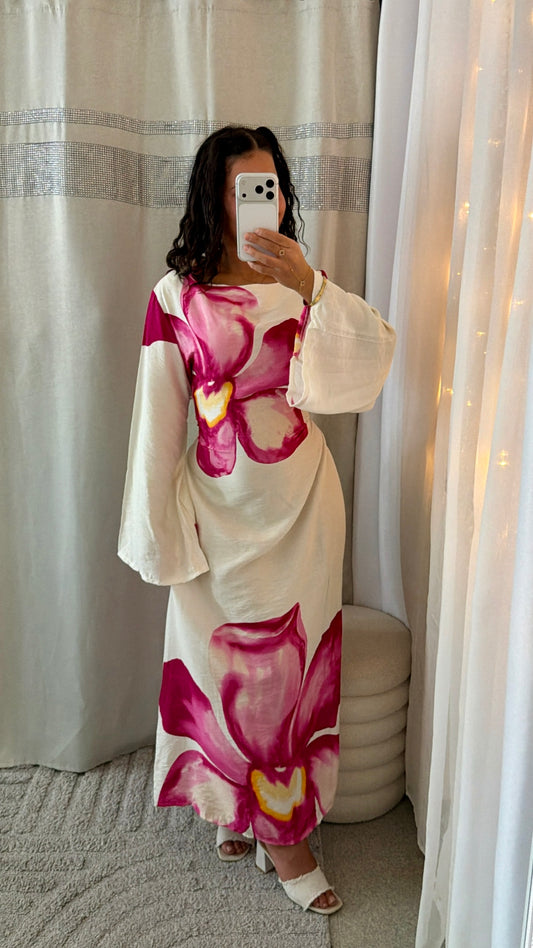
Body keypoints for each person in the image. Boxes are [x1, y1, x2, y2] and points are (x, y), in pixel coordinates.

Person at [118, 125, 396, 914]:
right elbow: (158, 420)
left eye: (269, 186)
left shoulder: (304, 283)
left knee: (289, 677)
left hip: (301, 509)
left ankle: (282, 829)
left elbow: (367, 365)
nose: (259, 203)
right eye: (243, 188)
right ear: (214, 197)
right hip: (213, 513)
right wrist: (156, 528)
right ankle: (232, 805)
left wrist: (311, 286)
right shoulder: (173, 297)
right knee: (221, 670)